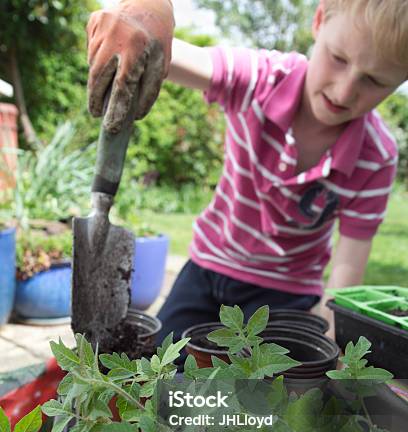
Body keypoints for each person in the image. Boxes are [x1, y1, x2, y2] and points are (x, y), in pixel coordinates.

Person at [86, 0, 407, 349]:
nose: (344, 91)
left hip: (287, 297)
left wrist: (333, 338)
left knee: (263, 397)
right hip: (207, 271)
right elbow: (171, 55)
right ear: (319, 21)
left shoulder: (377, 155)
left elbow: (347, 269)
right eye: (339, 58)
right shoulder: (259, 78)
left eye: (374, 81)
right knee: (160, 375)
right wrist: (144, 21)